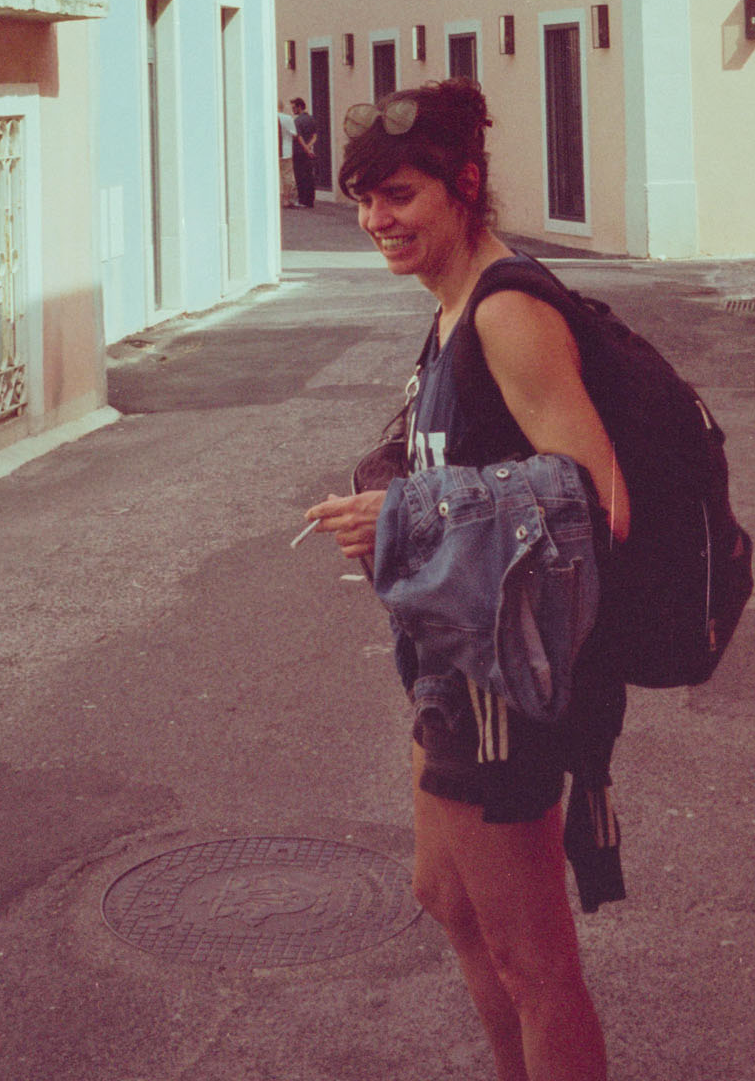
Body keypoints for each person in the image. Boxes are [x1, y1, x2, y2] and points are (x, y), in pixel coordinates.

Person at [305, 78, 629, 1081]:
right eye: (366, 199)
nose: (377, 219)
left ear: (466, 186)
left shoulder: (507, 311)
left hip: (503, 679)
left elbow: (600, 501)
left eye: (400, 195)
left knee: (536, 963)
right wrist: (392, 502)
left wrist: (406, 517)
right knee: (445, 898)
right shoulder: (451, 308)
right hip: (453, 664)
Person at [290, 96, 318, 208]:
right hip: (308, 152)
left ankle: (302, 201)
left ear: (299, 107)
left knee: (300, 176)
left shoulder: (297, 121)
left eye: (294, 108)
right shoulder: (311, 119)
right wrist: (309, 148)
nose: (293, 110)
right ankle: (310, 201)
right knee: (309, 176)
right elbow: (315, 136)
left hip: (299, 152)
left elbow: (299, 137)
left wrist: (306, 149)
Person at [277, 102, 298, 208]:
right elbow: (294, 134)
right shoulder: (287, 118)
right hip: (286, 152)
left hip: (273, 153)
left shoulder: (267, 117)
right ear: (282, 107)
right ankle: (286, 200)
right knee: (287, 176)